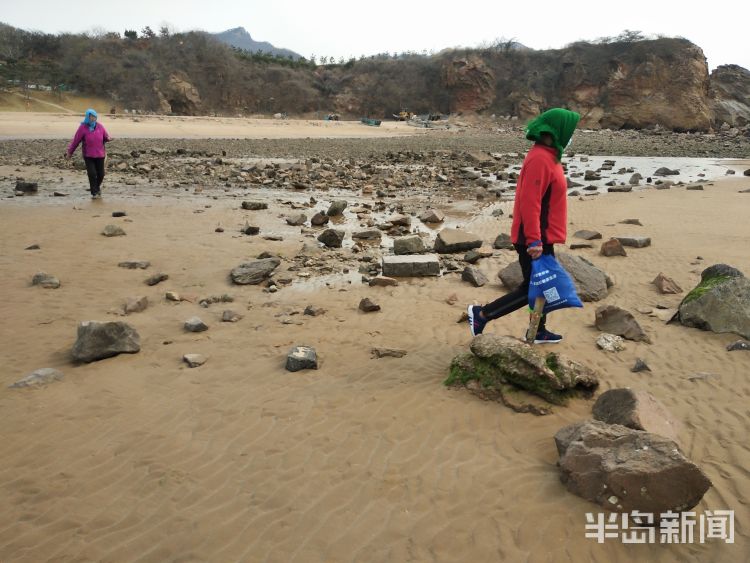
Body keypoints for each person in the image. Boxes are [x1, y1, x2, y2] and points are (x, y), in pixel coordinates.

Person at [467, 108, 580, 343]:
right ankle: (482, 314)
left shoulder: (549, 155)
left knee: (543, 286)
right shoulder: (540, 158)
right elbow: (530, 202)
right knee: (531, 287)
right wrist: (534, 240)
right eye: (570, 130)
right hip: (534, 237)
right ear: (556, 131)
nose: (571, 136)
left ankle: (537, 330)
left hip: (543, 235)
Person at [65, 109, 112, 199]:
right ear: (87, 117)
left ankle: (96, 187)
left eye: (94, 117)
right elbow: (75, 141)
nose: (93, 119)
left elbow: (105, 136)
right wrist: (69, 152)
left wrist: (108, 138)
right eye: (91, 117)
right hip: (88, 155)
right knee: (92, 173)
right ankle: (94, 192)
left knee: (101, 174)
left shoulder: (100, 126)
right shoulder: (82, 128)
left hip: (100, 155)